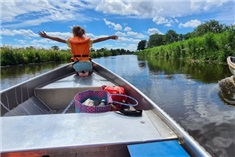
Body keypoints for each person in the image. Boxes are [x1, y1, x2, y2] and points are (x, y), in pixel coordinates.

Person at [38, 26, 118, 77]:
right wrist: (110, 37)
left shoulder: (70, 42)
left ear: (73, 33)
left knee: (78, 68)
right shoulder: (88, 41)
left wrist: (47, 36)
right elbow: (99, 39)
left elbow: (58, 39)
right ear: (82, 32)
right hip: (87, 64)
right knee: (89, 66)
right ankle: (88, 72)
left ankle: (79, 72)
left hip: (76, 65)